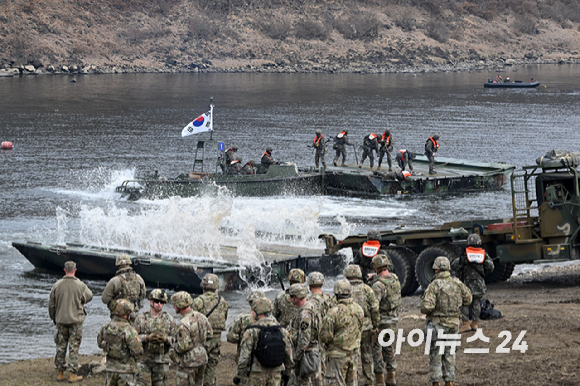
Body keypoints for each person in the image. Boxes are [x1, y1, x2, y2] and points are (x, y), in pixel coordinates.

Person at [421, 256, 472, 386]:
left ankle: (436, 382)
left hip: (438, 324)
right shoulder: (457, 283)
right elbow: (468, 299)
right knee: (450, 353)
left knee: (436, 355)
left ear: (436, 269)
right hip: (454, 324)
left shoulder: (434, 285)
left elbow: (427, 306)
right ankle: (450, 381)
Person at [48, 261, 93, 383]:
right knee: (74, 348)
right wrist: (80, 284)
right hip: (75, 321)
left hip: (61, 321)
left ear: (64, 270)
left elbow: (51, 305)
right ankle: (73, 374)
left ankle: (60, 373)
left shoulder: (57, 285)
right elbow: (90, 296)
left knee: (60, 346)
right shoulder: (80, 285)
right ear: (75, 270)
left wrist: (54, 318)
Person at [233, 298, 294, 386]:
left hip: (256, 374)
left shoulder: (251, 331)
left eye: (253, 311)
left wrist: (239, 376)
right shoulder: (282, 330)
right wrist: (287, 374)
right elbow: (289, 355)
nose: (252, 313)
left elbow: (244, 357)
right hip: (276, 374)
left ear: (258, 312)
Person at [319, 279, 364, 386]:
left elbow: (325, 336)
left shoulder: (333, 312)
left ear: (336, 293)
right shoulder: (359, 309)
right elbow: (360, 328)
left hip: (337, 356)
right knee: (352, 382)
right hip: (354, 353)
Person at [343, 265, 380, 386]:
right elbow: (375, 309)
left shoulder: (343, 290)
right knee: (367, 355)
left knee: (351, 357)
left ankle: (352, 381)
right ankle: (369, 380)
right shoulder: (367, 289)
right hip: (366, 327)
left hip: (349, 329)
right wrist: (375, 325)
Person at [451, 234, 494, 333]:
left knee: (464, 304)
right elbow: (491, 267)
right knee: (476, 303)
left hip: (467, 284)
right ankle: (475, 324)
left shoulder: (465, 255)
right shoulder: (483, 255)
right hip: (479, 284)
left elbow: (454, 265)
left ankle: (466, 324)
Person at [191, 273, 228, 386]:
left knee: (198, 365)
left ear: (203, 285)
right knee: (211, 364)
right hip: (216, 338)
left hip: (202, 338)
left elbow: (191, 320)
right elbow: (225, 317)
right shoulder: (222, 301)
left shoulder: (198, 301)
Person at [134, 289, 177, 386]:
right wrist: (146, 338)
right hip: (144, 360)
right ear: (151, 301)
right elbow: (134, 339)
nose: (159, 304)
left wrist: (166, 339)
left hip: (161, 361)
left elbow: (176, 341)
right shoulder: (141, 319)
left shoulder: (169, 320)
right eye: (157, 301)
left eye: (162, 302)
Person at [97, 299, 144, 386]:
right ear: (128, 314)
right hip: (126, 371)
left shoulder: (106, 327)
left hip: (110, 369)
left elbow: (99, 343)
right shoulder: (130, 330)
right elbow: (138, 352)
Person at [371, 254, 402, 386]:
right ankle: (391, 376)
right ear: (387, 266)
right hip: (393, 320)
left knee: (377, 350)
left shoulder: (378, 285)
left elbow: (374, 306)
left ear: (376, 268)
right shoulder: (395, 279)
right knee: (389, 347)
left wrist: (373, 324)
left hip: (381, 321)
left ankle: (379, 380)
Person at [171, 291, 213, 386]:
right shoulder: (202, 317)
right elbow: (210, 334)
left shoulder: (183, 323)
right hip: (202, 358)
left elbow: (183, 346)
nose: (173, 307)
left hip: (189, 362)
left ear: (180, 305)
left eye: (175, 305)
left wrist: (173, 347)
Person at [287, 283, 322, 386]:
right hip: (311, 352)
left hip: (306, 355)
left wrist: (296, 358)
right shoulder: (310, 307)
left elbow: (304, 340)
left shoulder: (305, 313)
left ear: (297, 297)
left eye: (291, 296)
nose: (289, 298)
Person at [227, 289, 266, 362]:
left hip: (244, 358)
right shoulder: (271, 318)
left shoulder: (242, 317)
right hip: (264, 359)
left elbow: (231, 338)